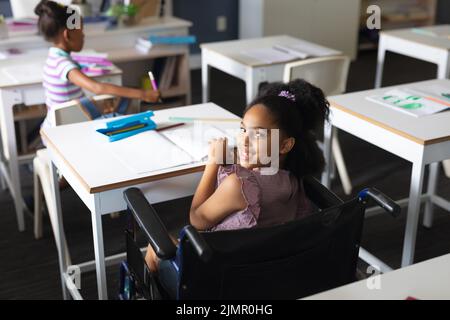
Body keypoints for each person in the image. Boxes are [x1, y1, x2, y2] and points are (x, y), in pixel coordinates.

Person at [145, 79, 330, 280]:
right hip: (262, 275)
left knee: (154, 247)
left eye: (257, 135)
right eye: (243, 129)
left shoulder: (239, 185)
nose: (244, 141)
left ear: (285, 145)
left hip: (217, 277)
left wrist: (213, 163)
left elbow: (197, 220)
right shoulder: (294, 178)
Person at [34, 0, 160, 127]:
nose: (83, 36)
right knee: (124, 111)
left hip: (59, 122)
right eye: (81, 31)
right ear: (68, 35)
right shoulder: (63, 64)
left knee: (119, 101)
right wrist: (143, 94)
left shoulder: (53, 58)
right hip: (67, 126)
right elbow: (97, 88)